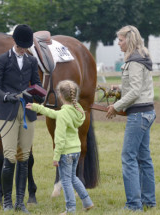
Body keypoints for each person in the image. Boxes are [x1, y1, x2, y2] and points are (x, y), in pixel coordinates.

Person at [0, 24, 43, 214]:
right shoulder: (2, 59)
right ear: (15, 42)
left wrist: (39, 93)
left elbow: (36, 82)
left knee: (24, 156)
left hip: (27, 111)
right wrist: (6, 96)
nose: (22, 49)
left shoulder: (31, 61)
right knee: (10, 155)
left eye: (25, 47)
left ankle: (20, 202)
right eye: (20, 46)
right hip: (8, 111)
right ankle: (7, 201)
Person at [106, 25, 156, 211]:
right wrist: (119, 89)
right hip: (148, 112)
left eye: (120, 40)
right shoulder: (142, 56)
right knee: (144, 159)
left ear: (129, 39)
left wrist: (115, 106)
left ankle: (134, 205)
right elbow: (137, 86)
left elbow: (135, 91)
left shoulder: (134, 61)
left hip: (138, 115)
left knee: (128, 158)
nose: (118, 43)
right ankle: (149, 202)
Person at [26, 80, 94, 215]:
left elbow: (60, 139)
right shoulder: (76, 110)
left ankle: (70, 209)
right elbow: (52, 113)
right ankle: (87, 202)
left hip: (66, 153)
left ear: (60, 96)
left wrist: (56, 157)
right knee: (73, 178)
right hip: (76, 151)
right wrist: (36, 107)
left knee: (66, 181)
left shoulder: (63, 114)